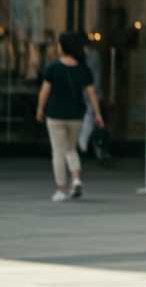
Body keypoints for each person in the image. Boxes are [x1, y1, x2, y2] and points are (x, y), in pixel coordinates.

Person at [36, 31, 104, 202]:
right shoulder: (83, 69)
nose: (58, 47)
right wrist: (97, 114)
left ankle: (61, 189)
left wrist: (40, 108)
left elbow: (45, 90)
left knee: (58, 152)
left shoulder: (53, 67)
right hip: (76, 115)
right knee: (71, 149)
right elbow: (92, 94)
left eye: (59, 44)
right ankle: (76, 179)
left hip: (55, 114)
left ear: (64, 47)